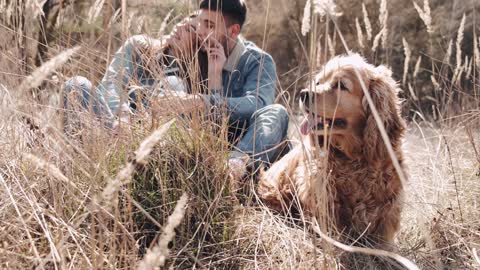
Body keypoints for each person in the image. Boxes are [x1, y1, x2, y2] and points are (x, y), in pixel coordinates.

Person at [194, 0, 289, 181]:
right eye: (200, 22)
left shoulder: (257, 61)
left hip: (254, 150)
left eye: (210, 25)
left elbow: (258, 104)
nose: (200, 30)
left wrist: (203, 101)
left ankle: (232, 169)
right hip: (215, 147)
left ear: (234, 31)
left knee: (277, 112)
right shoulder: (197, 53)